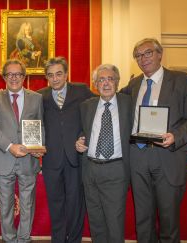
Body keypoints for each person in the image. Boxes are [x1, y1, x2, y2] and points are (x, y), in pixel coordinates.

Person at [121, 38, 187, 242]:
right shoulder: (133, 84)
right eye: (138, 55)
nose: (143, 58)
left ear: (160, 53)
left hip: (169, 157)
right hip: (138, 157)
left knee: (169, 221)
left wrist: (176, 136)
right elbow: (111, 100)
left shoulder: (183, 80)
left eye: (148, 53)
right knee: (143, 220)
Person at [0, 59, 44, 243]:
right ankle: (9, 239)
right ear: (4, 77)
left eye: (18, 74)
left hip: (29, 160)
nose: (14, 78)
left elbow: (40, 126)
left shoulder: (36, 98)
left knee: (27, 204)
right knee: (6, 205)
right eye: (10, 74)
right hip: (4, 158)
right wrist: (10, 146)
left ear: (24, 76)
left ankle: (23, 239)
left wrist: (40, 148)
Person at [37, 56, 93, 243]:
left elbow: (96, 114)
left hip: (75, 158)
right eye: (51, 75)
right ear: (46, 77)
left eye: (59, 74)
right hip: (51, 160)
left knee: (76, 205)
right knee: (56, 205)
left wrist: (85, 135)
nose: (55, 79)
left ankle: (74, 240)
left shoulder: (82, 91)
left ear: (66, 74)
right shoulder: (40, 96)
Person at [75, 64, 131, 243]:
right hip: (90, 169)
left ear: (117, 82)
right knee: (96, 221)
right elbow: (83, 131)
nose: (106, 83)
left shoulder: (128, 103)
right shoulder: (86, 106)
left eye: (110, 79)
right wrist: (79, 141)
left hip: (115, 170)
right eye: (101, 80)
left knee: (114, 221)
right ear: (95, 84)